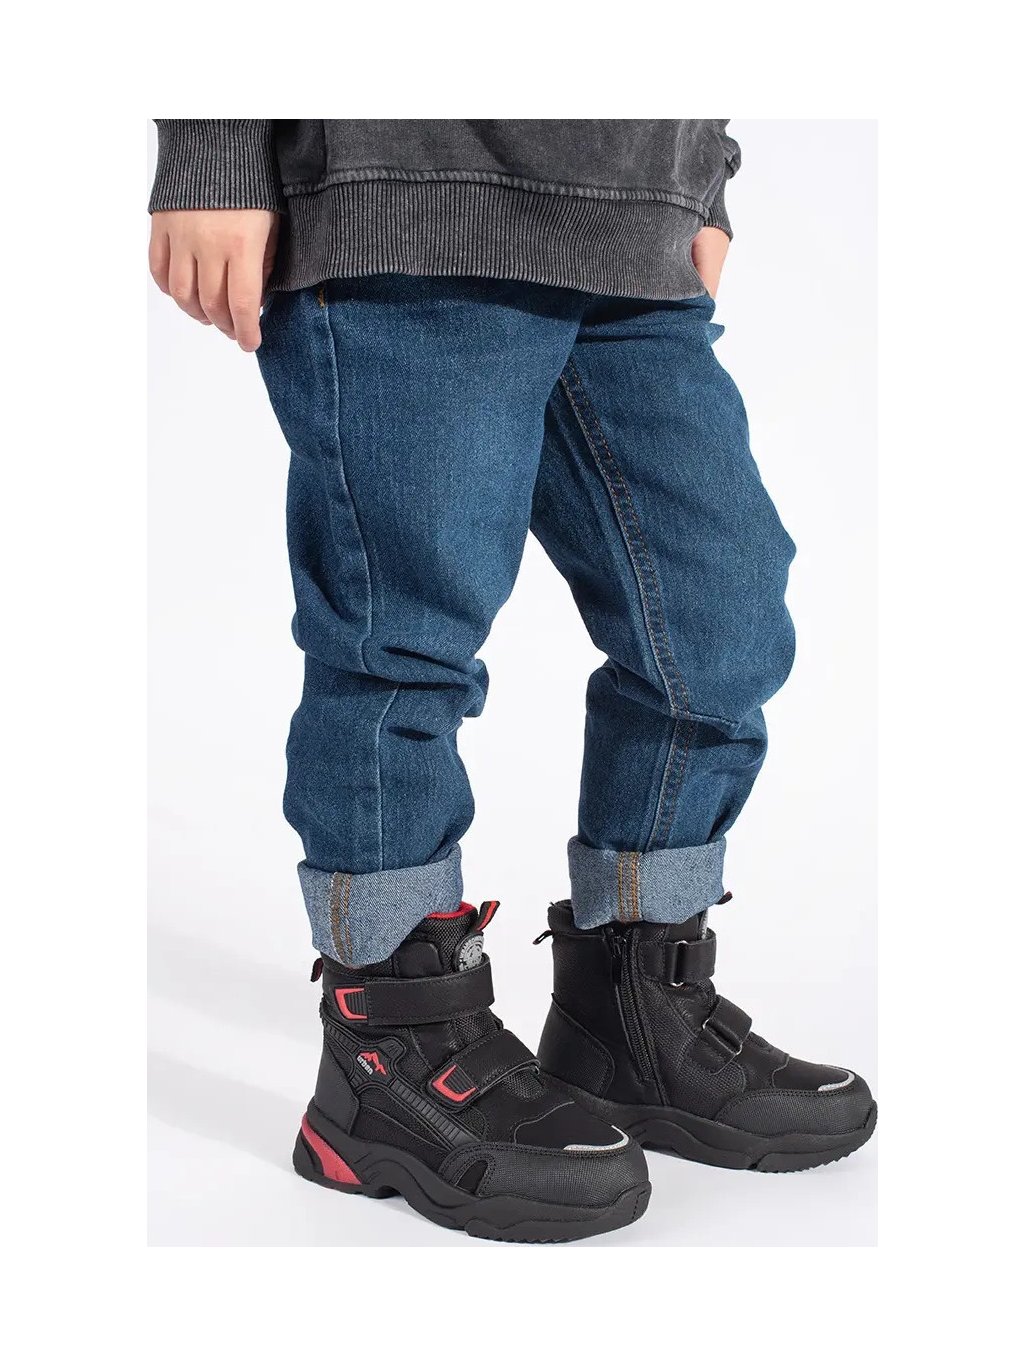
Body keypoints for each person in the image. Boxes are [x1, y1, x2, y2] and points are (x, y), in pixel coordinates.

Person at [149, 119, 876, 1243]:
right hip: (411, 198)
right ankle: (390, 1049)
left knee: (717, 614)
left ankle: (632, 1011)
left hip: (632, 224)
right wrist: (211, 145)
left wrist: (703, 174)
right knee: (401, 644)